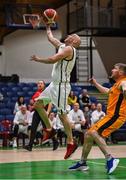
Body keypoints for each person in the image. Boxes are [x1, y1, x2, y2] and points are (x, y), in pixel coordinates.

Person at [29, 22, 81, 159]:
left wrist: (38, 59)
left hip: (61, 87)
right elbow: (51, 38)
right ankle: (50, 129)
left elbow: (53, 59)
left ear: (74, 41)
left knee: (62, 115)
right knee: (38, 104)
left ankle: (71, 142)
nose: (68, 36)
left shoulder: (69, 49)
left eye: (71, 36)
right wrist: (47, 26)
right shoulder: (63, 46)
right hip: (54, 85)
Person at [69, 63, 126, 174]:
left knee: (95, 132)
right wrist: (95, 83)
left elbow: (125, 87)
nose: (112, 70)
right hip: (110, 116)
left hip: (117, 116)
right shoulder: (116, 85)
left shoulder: (123, 82)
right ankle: (83, 162)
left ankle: (110, 158)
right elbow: (106, 91)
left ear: (121, 72)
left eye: (115, 68)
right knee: (88, 134)